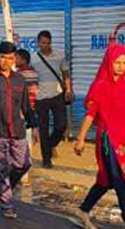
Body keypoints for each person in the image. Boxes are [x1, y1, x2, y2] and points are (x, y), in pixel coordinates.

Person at [0, 41, 36, 219]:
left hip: (17, 131)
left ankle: (4, 185)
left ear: (14, 59)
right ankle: (7, 206)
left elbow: (26, 106)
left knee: (24, 164)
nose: (6, 61)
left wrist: (36, 127)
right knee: (2, 169)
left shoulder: (20, 80)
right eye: (2, 57)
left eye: (10, 58)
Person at [73, 44, 125, 229]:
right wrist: (80, 138)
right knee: (120, 180)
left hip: (123, 139)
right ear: (108, 63)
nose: (121, 66)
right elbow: (90, 114)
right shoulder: (101, 85)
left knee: (107, 180)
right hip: (108, 138)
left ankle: (83, 209)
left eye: (124, 63)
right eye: (117, 62)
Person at [31, 30, 73, 169]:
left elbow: (65, 74)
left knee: (61, 125)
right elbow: (29, 77)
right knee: (43, 129)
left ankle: (50, 145)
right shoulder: (33, 59)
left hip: (57, 95)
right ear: (38, 43)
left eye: (48, 43)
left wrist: (68, 89)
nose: (46, 45)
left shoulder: (59, 56)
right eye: (43, 43)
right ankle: (46, 159)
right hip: (40, 98)